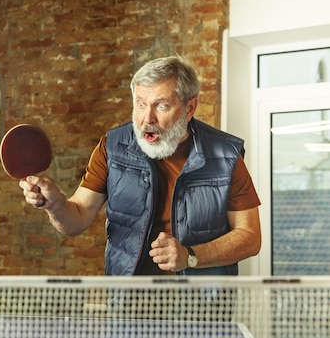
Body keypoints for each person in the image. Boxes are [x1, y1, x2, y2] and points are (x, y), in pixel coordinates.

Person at [20, 56, 261, 276]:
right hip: (129, 305)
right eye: (141, 104)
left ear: (189, 108)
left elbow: (250, 237)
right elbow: (77, 218)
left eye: (161, 106)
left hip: (202, 310)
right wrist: (54, 204)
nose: (147, 119)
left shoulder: (226, 156)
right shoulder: (112, 147)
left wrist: (191, 256)